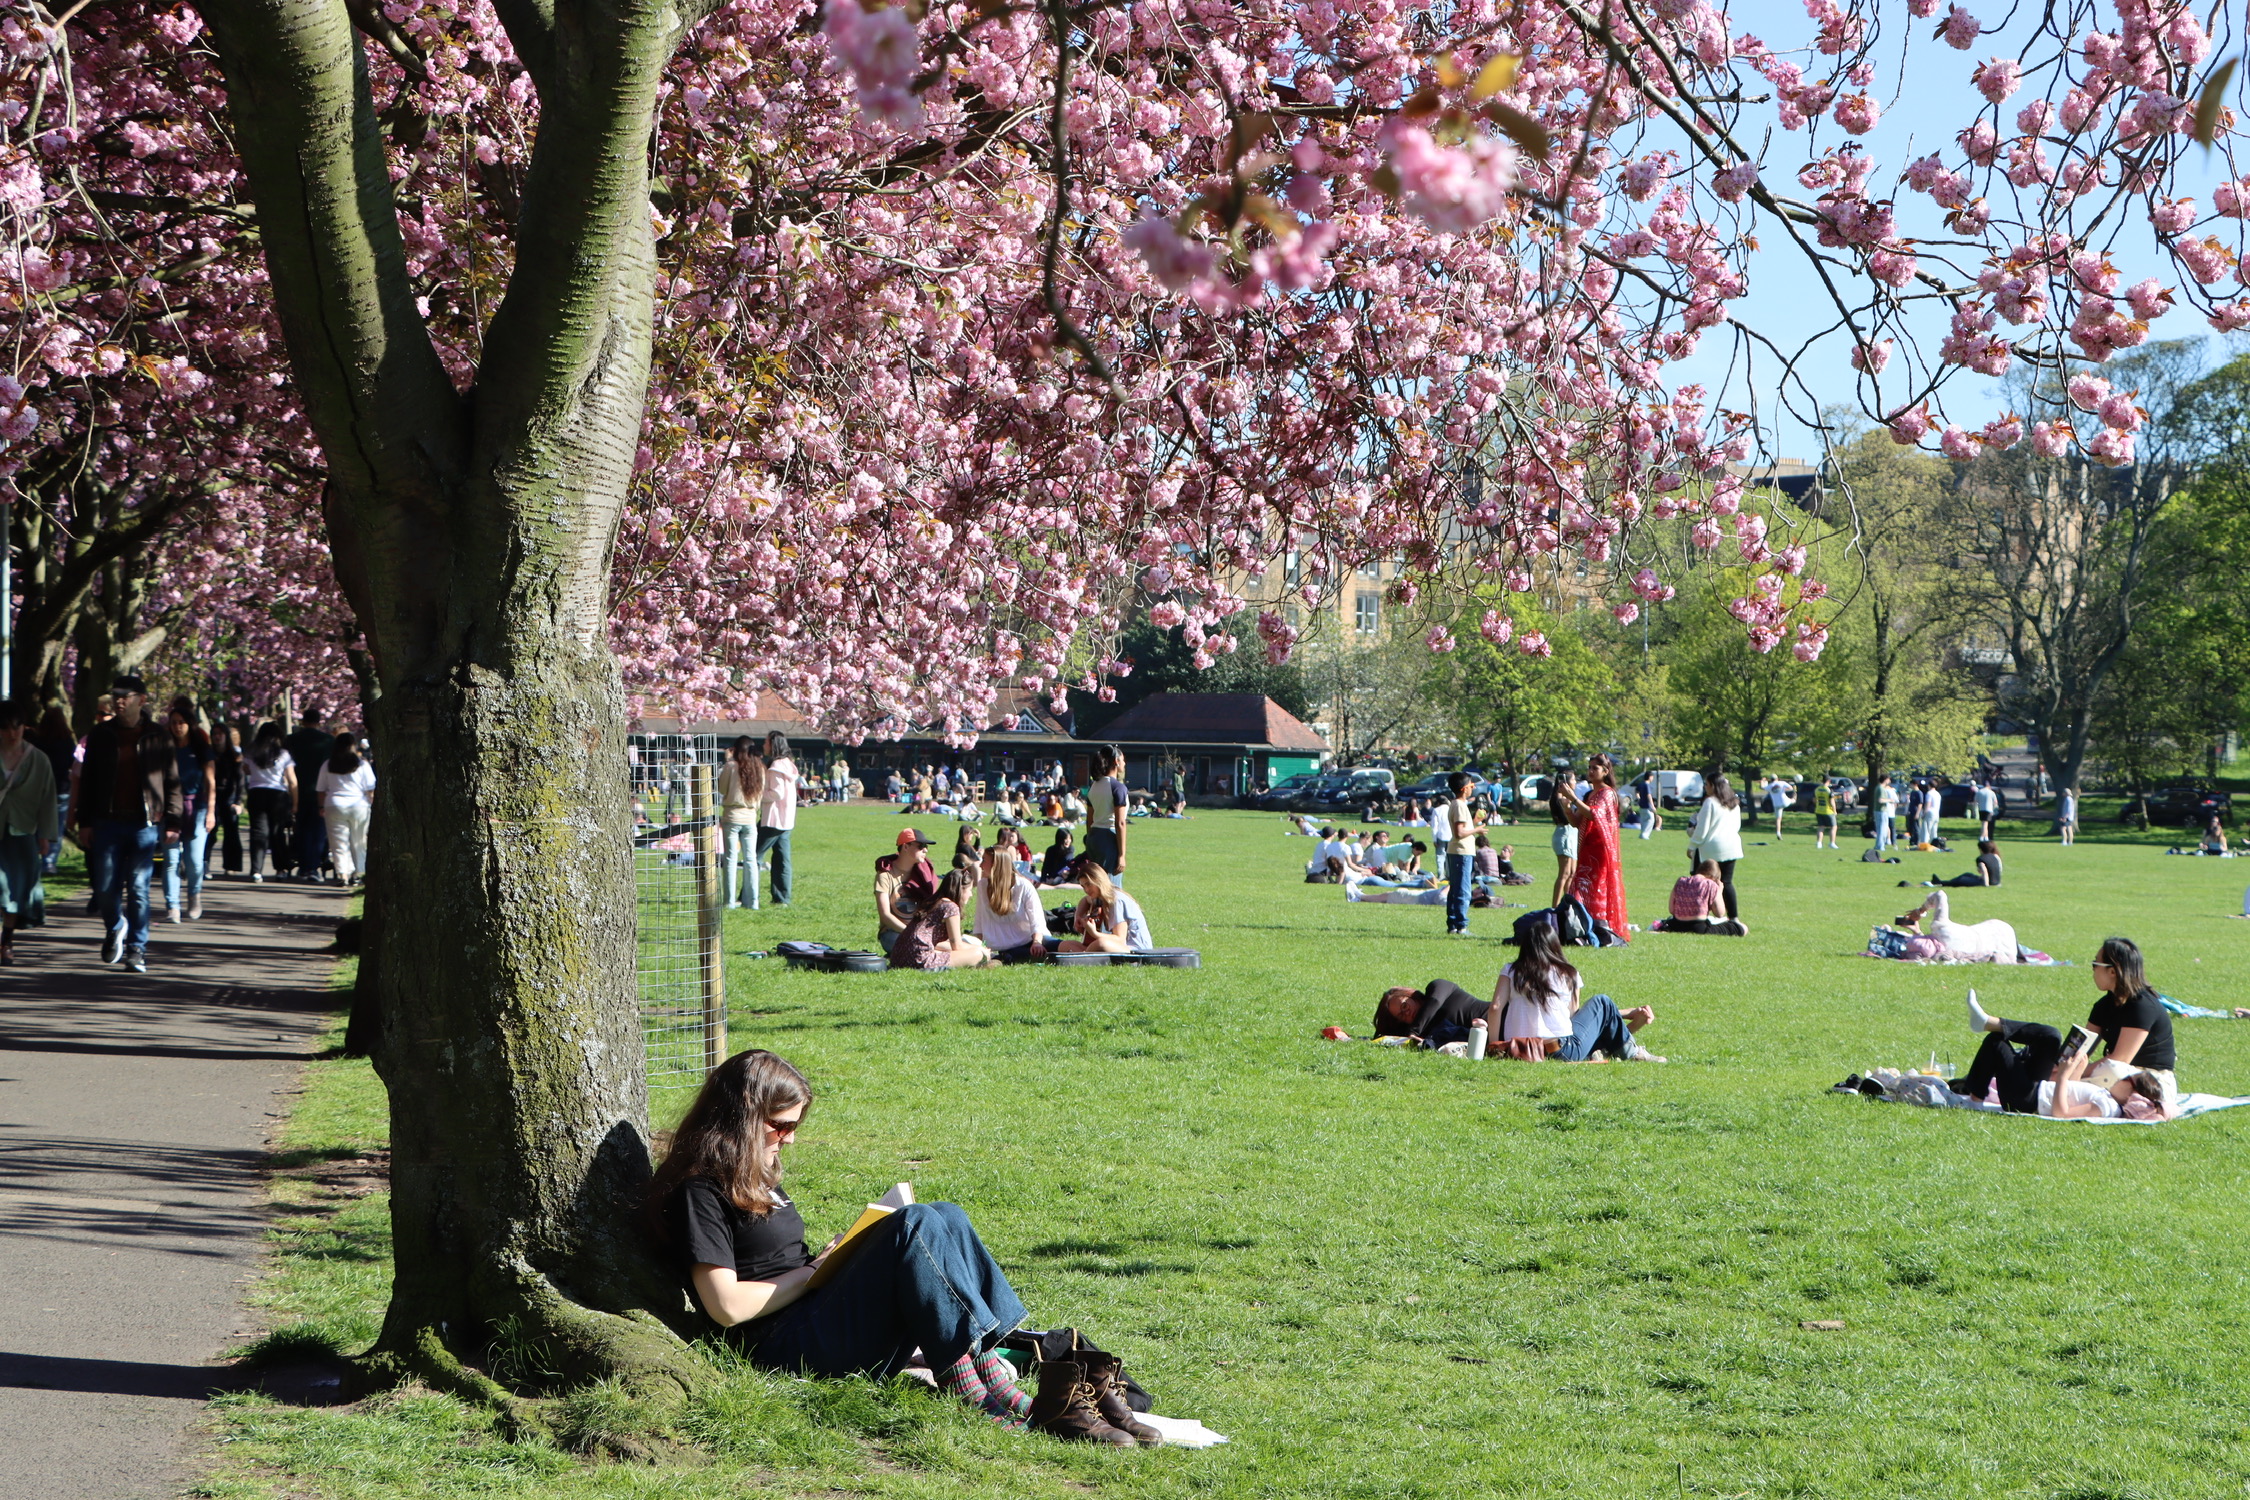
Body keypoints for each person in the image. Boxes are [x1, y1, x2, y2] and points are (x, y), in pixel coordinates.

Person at [652, 1052, 1078, 1439]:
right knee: (914, 1223)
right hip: (781, 1343)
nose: (790, 1139)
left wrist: (836, 1259)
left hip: (811, 1312)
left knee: (945, 1215)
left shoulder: (752, 1173)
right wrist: (814, 1272)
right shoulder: (700, 1191)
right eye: (781, 1126)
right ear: (742, 1118)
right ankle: (967, 1384)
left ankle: (989, 1370)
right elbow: (726, 1306)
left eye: (795, 1126)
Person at [73, 674, 183, 973]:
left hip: (143, 824)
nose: (119, 701)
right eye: (116, 696)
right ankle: (116, 925)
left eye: (126, 696)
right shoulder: (100, 735)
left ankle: (137, 948)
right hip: (106, 822)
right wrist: (84, 821)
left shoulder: (157, 736)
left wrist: (173, 820)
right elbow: (88, 780)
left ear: (141, 700)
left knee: (138, 888)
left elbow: (172, 781)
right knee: (105, 888)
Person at [1956, 993, 2175, 1118]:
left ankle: (1975, 1100)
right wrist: (2074, 1070)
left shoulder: (2108, 1106)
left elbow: (2061, 1113)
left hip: (2026, 1098)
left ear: (2134, 1095)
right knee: (2051, 1036)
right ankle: (1988, 1022)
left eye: (2128, 1080)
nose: (2122, 1078)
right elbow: (2073, 1092)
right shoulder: (2106, 1095)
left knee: (1996, 1044)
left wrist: (2062, 1077)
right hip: (2038, 1086)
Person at [1494, 919, 1664, 1062]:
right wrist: (1621, 1013)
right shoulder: (1568, 973)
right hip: (1561, 1050)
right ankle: (1633, 1052)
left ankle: (1610, 1048)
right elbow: (1573, 1016)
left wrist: (1494, 1045)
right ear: (1555, 945)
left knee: (1599, 1017)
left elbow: (1496, 1007)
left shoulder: (1511, 970)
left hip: (1518, 1049)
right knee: (1602, 1002)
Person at [0, 703, 59, 962]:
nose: (12, 734)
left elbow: (48, 799)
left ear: (25, 727)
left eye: (17, 727)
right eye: (5, 729)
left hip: (22, 831)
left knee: (15, 889)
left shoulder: (38, 760)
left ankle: (6, 941)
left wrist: (45, 835)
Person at [2080, 936, 2177, 1087]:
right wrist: (2060, 1067)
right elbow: (2081, 1048)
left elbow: (2121, 1059)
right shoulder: (2103, 1005)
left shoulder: (2143, 1007)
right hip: (2119, 1075)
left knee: (2112, 1069)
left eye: (2095, 964)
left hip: (2152, 1081)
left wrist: (2074, 1073)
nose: (2093, 970)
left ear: (2112, 971)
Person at [1552, 752, 1629, 939]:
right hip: (1586, 848)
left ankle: (1599, 925)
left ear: (1605, 771)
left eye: (1595, 768)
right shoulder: (1590, 794)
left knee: (1597, 887)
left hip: (1601, 850)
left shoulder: (1607, 793)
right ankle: (1581, 923)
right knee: (1581, 886)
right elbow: (1578, 822)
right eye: (1589, 768)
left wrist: (1573, 798)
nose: (1591, 771)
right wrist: (1567, 808)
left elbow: (1595, 815)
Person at [161, 699, 216, 920]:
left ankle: (194, 895)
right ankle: (172, 905)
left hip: (197, 807)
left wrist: (211, 811)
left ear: (189, 724)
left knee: (194, 860)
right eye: (174, 722)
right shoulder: (165, 748)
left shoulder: (201, 748)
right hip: (170, 809)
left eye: (181, 722)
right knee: (171, 860)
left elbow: (210, 782)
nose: (177, 727)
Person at [887, 868, 992, 969]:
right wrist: (980, 949)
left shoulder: (933, 902)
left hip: (898, 958)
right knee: (979, 954)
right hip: (919, 959)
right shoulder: (951, 907)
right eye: (970, 890)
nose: (971, 895)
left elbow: (939, 944)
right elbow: (957, 946)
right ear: (961, 889)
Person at [315, 732, 378, 885]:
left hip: (334, 804)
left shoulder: (328, 764)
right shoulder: (362, 764)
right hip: (359, 805)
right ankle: (359, 873)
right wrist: (372, 802)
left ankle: (342, 873)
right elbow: (370, 788)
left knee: (338, 842)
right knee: (359, 841)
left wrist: (321, 806)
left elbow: (321, 789)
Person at [241, 723, 298, 883]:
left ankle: (256, 870)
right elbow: (292, 780)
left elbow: (245, 769)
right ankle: (280, 869)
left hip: (256, 792)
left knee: (258, 832)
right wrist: (295, 803)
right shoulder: (283, 754)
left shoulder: (251, 751)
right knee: (277, 832)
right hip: (277, 794)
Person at [1894, 889, 2017, 962]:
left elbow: (1930, 949)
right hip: (1998, 930)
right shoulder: (1942, 929)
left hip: (1995, 943)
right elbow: (1940, 894)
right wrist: (1920, 911)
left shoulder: (1945, 952)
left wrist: (1917, 932)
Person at [282, 710, 335, 880]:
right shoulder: (328, 741)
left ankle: (304, 866)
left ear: (303, 721)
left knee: (301, 830)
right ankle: (313, 866)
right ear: (319, 721)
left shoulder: (291, 740)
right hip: (321, 791)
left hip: (298, 790)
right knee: (318, 831)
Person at [974, 845, 1047, 963]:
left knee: (1060, 946)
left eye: (984, 861)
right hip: (996, 946)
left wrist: (1037, 942)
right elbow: (979, 920)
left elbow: (1037, 920)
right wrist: (978, 945)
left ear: (995, 865)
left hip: (1026, 942)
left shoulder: (1023, 885)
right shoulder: (983, 885)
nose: (980, 865)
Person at [1060, 859, 1151, 953]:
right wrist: (1077, 917)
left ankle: (1084, 956)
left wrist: (1094, 933)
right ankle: (1087, 954)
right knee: (1064, 945)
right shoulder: (1099, 895)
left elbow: (1120, 939)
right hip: (1118, 947)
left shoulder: (1116, 900)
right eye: (1083, 886)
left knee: (1100, 943)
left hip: (1135, 949)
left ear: (1099, 881)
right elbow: (1085, 900)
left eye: (1088, 884)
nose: (1086, 890)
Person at [1686, 773, 1743, 920]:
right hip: (1731, 847)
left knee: (1701, 882)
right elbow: (1737, 826)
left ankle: (1699, 914)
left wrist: (1692, 845)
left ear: (1713, 785)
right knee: (1726, 882)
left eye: (1706, 784)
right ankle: (1733, 917)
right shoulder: (1734, 803)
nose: (1705, 787)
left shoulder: (1710, 802)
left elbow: (1702, 829)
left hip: (1711, 848)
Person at [716, 738, 764, 911]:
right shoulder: (759, 768)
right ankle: (753, 902)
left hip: (732, 816)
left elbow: (721, 789)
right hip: (750, 817)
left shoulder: (731, 766)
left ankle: (729, 901)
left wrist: (728, 760)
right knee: (751, 860)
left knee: (730, 859)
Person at [1371, 979, 1489, 1048]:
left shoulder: (1438, 986)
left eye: (1405, 1005)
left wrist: (1414, 1031)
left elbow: (1435, 1001)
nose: (1406, 1013)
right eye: (1401, 1015)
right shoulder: (1424, 1030)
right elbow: (1387, 1038)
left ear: (1409, 995)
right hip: (1485, 1042)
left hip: (1492, 1016)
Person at [758, 732, 799, 906]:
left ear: (773, 744)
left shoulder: (775, 766)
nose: (763, 745)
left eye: (766, 742)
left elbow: (776, 793)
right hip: (786, 819)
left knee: (754, 856)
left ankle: (747, 896)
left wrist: (758, 794)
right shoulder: (788, 764)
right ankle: (782, 898)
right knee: (782, 859)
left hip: (773, 819)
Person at [1653, 859, 1747, 936]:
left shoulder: (1681, 881)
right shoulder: (1710, 884)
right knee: (1742, 927)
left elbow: (1672, 910)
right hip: (1699, 927)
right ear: (1713, 877)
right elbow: (1720, 913)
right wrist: (1719, 891)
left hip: (1676, 925)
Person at [1437, 772, 1476, 936]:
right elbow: (1459, 833)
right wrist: (1477, 829)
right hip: (1462, 851)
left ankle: (1453, 925)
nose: (1473, 788)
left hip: (1456, 851)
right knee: (1463, 890)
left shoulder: (1455, 804)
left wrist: (1475, 822)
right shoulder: (1460, 805)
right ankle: (1461, 926)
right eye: (1471, 785)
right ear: (1464, 788)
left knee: (1455, 889)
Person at [1082, 745, 1129, 879]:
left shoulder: (1094, 786)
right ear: (1116, 761)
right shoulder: (1118, 787)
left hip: (1094, 837)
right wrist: (1122, 855)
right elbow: (1120, 823)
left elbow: (1089, 820)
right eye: (1123, 760)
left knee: (1097, 882)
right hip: (1108, 838)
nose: (1124, 763)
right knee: (1110, 885)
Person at [212, 724, 245, 876]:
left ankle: (232, 865)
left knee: (231, 831)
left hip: (229, 795)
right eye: (215, 734)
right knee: (210, 831)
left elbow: (240, 780)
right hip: (212, 795)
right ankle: (204, 862)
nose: (217, 737)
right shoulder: (208, 754)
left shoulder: (234, 756)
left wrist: (238, 801)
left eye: (220, 734)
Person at [1543, 773, 1577, 908]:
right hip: (1565, 834)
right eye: (1573, 779)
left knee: (1572, 873)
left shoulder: (1569, 797)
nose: (1576, 782)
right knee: (1564, 873)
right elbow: (1566, 818)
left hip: (1572, 834)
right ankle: (1555, 906)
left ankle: (1568, 903)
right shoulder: (1560, 798)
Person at [1930, 839, 2002, 888]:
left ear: (1981, 849)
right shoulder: (1995, 856)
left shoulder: (1981, 859)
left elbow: (1984, 871)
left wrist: (1986, 885)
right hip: (1995, 882)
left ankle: (1941, 883)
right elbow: (1997, 870)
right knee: (1967, 874)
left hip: (1985, 882)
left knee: (1961, 880)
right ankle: (1942, 882)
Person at [1874, 774, 1899, 853]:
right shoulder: (1881, 788)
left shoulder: (1878, 787)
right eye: (1889, 779)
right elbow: (1880, 800)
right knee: (1883, 829)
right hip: (1882, 811)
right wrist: (1890, 800)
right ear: (1885, 780)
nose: (1890, 781)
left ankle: (1878, 845)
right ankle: (1881, 846)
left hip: (1878, 810)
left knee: (1880, 829)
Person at [1812, 777, 1838, 850]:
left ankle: (1819, 843)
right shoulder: (1828, 790)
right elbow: (1832, 802)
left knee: (1821, 827)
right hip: (1828, 811)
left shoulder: (1817, 789)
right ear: (1828, 781)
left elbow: (1814, 800)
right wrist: (1835, 811)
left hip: (1818, 810)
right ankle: (1832, 843)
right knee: (1833, 827)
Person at [1633, 773, 1659, 840]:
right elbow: (1649, 795)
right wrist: (1652, 806)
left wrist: (1639, 798)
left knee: (1643, 820)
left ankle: (1642, 834)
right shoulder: (1647, 785)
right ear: (1650, 777)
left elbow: (1636, 791)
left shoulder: (1641, 784)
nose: (1652, 778)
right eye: (1652, 777)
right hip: (1647, 805)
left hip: (1641, 805)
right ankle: (1645, 835)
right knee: (1651, 819)